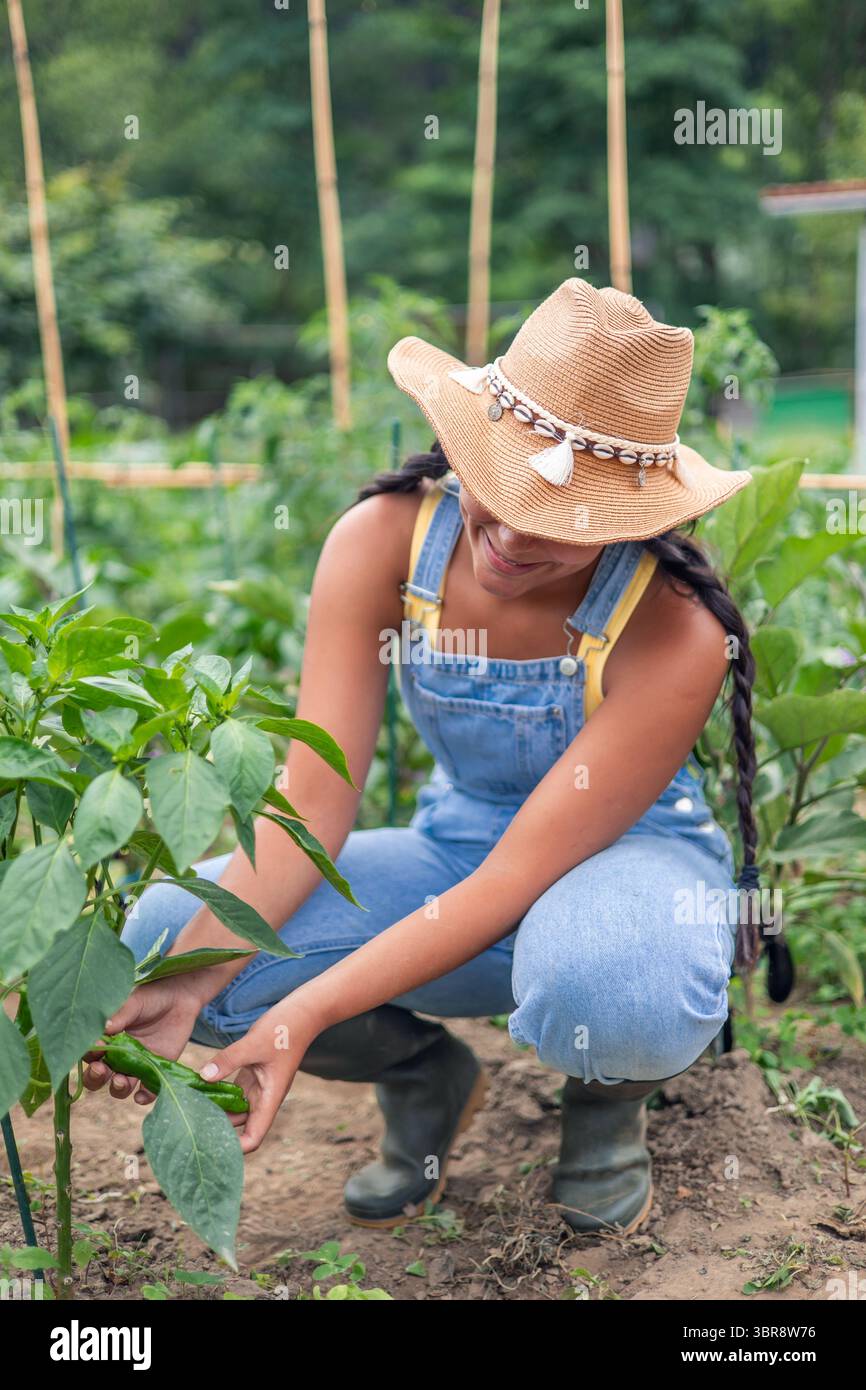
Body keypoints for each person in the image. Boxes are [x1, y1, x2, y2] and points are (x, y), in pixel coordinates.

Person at [88, 278, 771, 1234]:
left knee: (610, 980)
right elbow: (312, 809)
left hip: (630, 864)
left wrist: (307, 1011)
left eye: (561, 523)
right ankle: (422, 1076)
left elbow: (525, 871)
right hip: (458, 849)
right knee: (167, 939)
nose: (513, 537)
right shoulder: (379, 544)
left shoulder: (674, 625)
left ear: (627, 518)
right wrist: (199, 975)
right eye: (501, 488)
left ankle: (607, 1109)